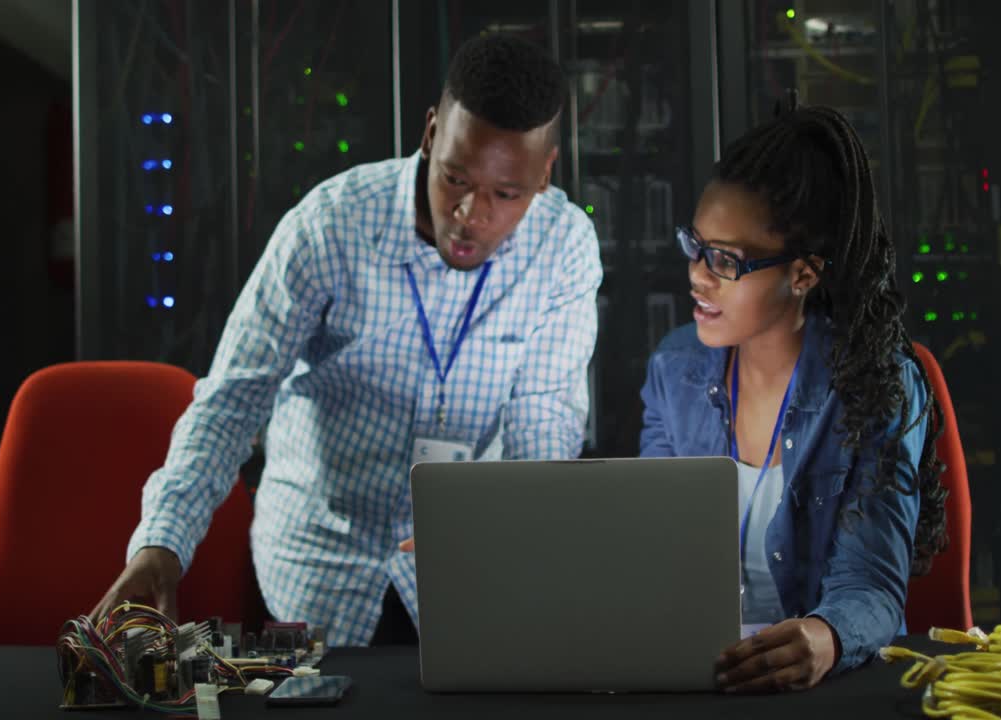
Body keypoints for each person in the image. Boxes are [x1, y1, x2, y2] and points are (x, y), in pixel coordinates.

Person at [91, 34, 602, 647]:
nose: (472, 212)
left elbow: (542, 415)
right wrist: (162, 541)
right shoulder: (329, 225)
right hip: (319, 563)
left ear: (544, 174)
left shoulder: (565, 245)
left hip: (468, 564)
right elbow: (232, 402)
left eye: (506, 194)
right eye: (455, 178)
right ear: (431, 133)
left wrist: (515, 524)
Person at [639, 101, 947, 692]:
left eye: (725, 259)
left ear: (803, 274)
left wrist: (825, 637)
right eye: (695, 245)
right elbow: (655, 551)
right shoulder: (673, 370)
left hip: (818, 686)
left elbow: (871, 588)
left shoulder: (878, 388)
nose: (698, 275)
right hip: (697, 678)